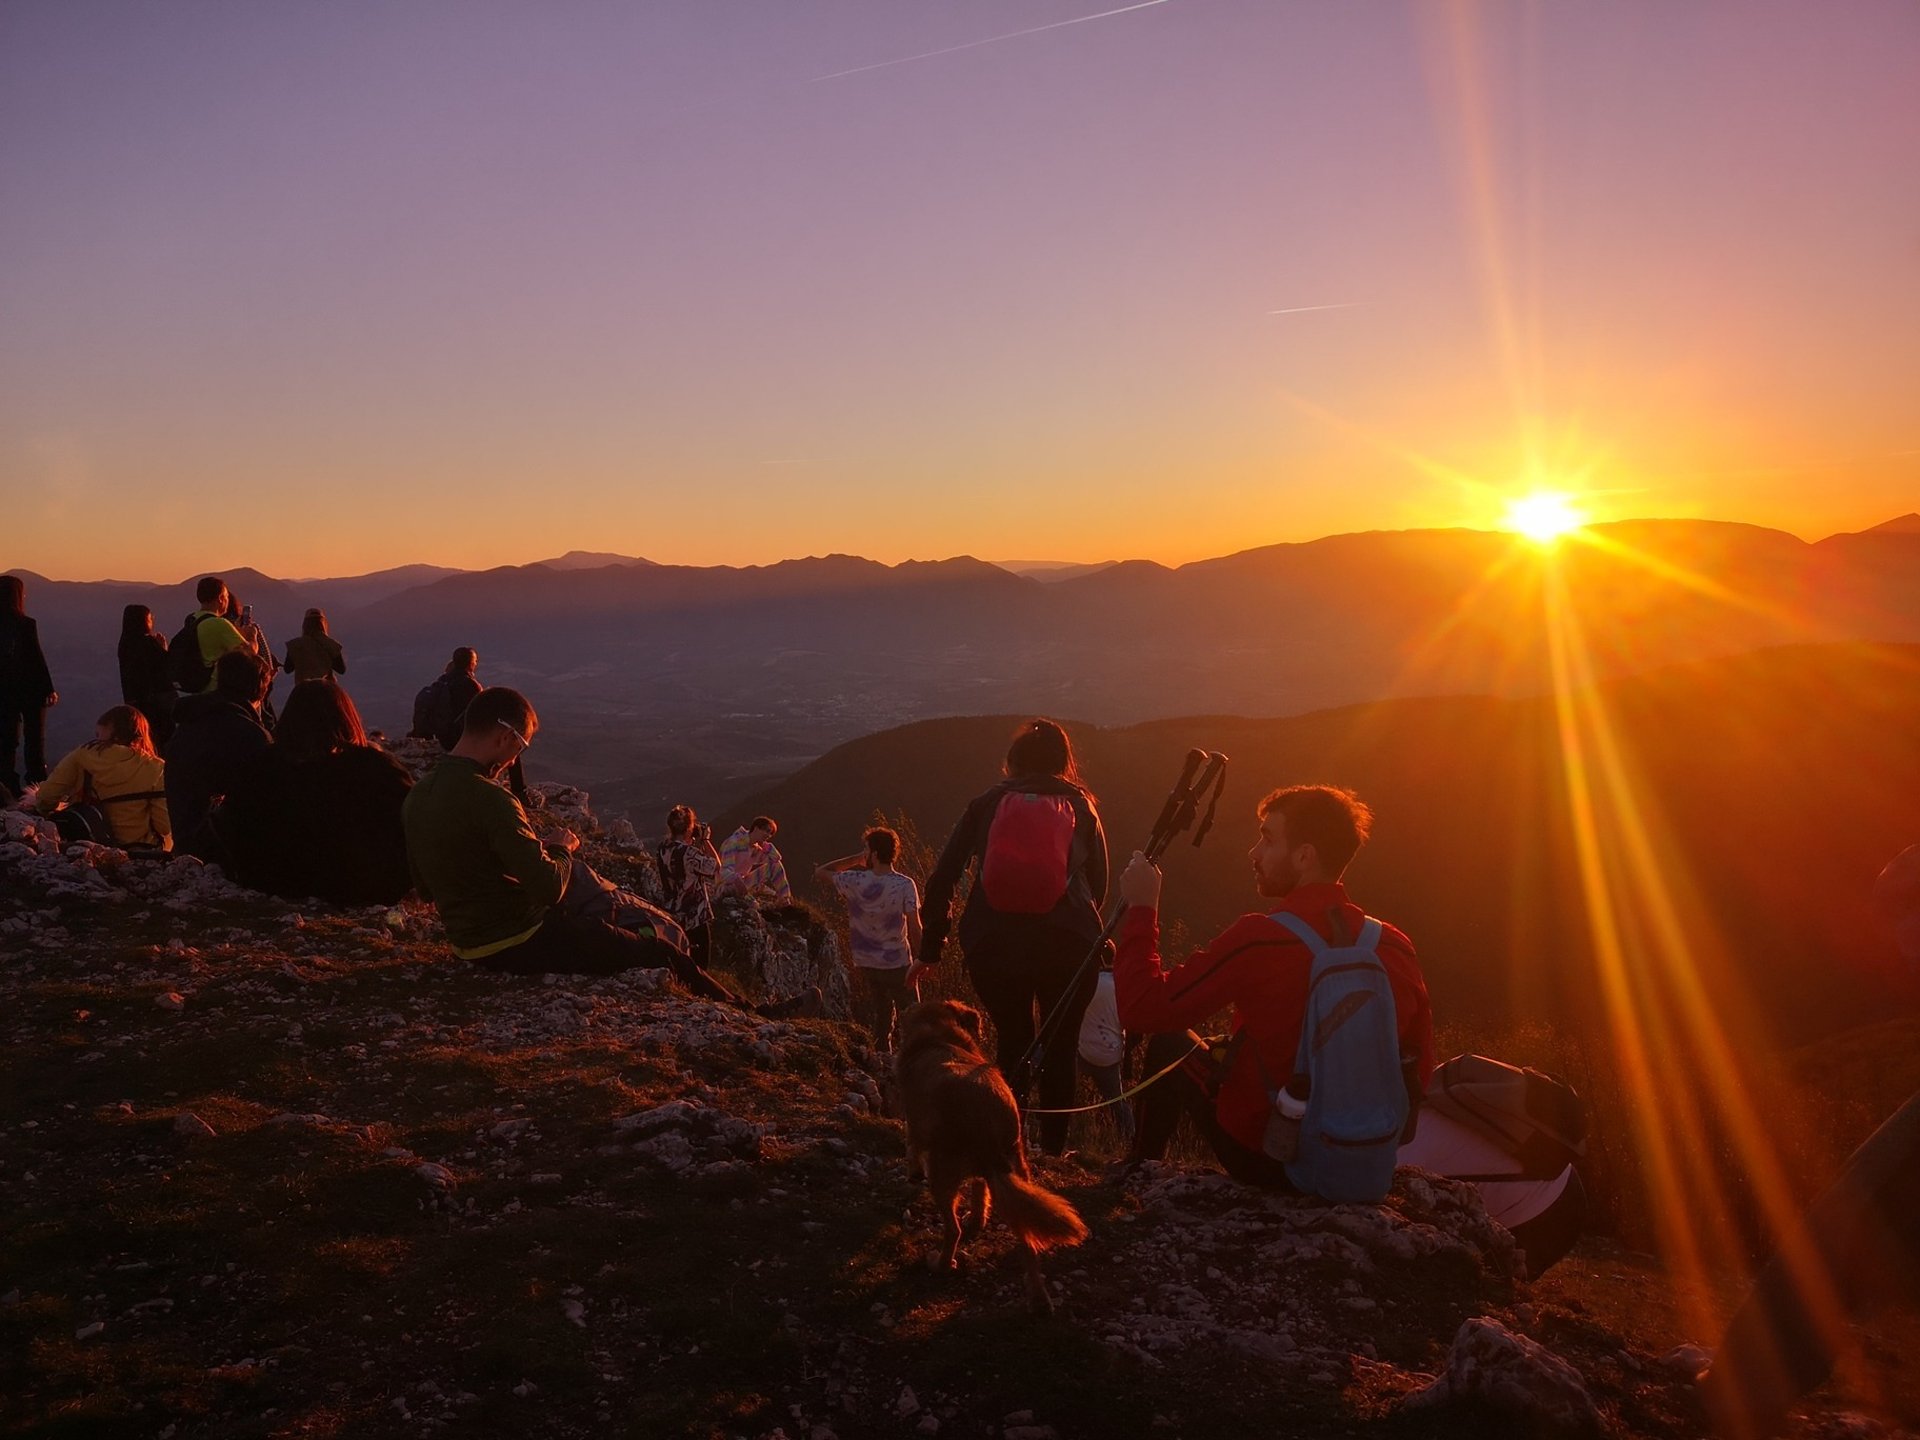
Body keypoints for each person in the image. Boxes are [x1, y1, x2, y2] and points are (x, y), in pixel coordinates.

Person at [1115, 784, 1433, 1194]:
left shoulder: (1261, 939)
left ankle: (1139, 1171)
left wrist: (1143, 908)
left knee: (1172, 1043)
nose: (1254, 853)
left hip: (1270, 1161)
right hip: (1364, 1165)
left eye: (1267, 839)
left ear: (1304, 856)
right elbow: (1418, 1071)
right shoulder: (1394, 946)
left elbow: (1144, 1008)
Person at [405, 688, 748, 1002]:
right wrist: (560, 848)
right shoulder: (492, 798)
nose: (513, 761)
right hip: (521, 939)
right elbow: (550, 888)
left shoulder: (418, 795)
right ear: (505, 737)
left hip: (465, 944)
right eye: (519, 747)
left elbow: (425, 886)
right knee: (662, 953)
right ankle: (747, 1013)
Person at [910, 719, 1109, 1156]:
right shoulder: (1081, 804)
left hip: (993, 942)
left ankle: (1007, 1147)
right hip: (1070, 942)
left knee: (1014, 1037)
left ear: (1013, 761)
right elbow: (1099, 883)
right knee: (1059, 1046)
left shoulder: (985, 804)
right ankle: (1054, 1151)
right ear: (1064, 760)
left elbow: (942, 879)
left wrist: (932, 949)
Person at [216, 681, 411, 905]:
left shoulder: (260, 767)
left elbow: (233, 823)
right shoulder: (377, 768)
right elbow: (413, 820)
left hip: (274, 880)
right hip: (361, 885)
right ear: (346, 717)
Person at [816, 827, 923, 1049]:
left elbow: (822, 871)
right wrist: (922, 960)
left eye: (866, 849)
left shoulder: (854, 880)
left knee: (882, 1015)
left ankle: (883, 1061)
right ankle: (913, 1063)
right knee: (915, 1019)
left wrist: (857, 859)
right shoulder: (904, 884)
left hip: (866, 961)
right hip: (898, 963)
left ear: (873, 854)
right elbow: (915, 926)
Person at [164, 649, 273, 857]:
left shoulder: (187, 726)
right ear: (261, 689)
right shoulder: (250, 736)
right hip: (226, 851)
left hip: (185, 844)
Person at [27, 704, 169, 850]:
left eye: (98, 735)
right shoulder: (156, 767)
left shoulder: (82, 756)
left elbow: (47, 796)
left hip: (92, 845)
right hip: (143, 850)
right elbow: (164, 825)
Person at [411, 647, 528, 804]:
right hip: (458, 740)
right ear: (471, 663)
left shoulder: (443, 680)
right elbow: (483, 717)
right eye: (475, 662)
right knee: (513, 743)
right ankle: (520, 792)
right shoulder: (470, 685)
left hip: (442, 736)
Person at [0, 575, 58, 797]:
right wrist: (49, 689)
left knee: (6, 741)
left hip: (4, 693)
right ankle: (36, 788)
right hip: (32, 692)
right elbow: (37, 659)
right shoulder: (26, 624)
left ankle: (7, 786)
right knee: (34, 740)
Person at [657, 804, 723, 970]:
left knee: (680, 956)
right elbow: (715, 866)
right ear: (688, 828)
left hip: (672, 910)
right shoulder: (689, 853)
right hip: (694, 914)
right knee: (700, 963)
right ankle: (699, 990)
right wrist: (706, 840)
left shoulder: (663, 848)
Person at [1077, 963, 1135, 1148]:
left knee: (1060, 1085)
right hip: (1110, 1055)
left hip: (1082, 1051)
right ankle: (1129, 1141)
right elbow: (1133, 1027)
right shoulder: (1123, 988)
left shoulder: (1086, 983)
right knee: (1118, 1102)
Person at [177, 576, 255, 694]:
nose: (228, 600)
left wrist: (236, 631)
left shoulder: (192, 619)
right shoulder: (219, 623)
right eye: (227, 596)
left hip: (195, 689)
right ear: (220, 598)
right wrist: (251, 637)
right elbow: (248, 654)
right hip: (214, 688)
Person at [117, 604, 176, 749]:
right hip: (157, 705)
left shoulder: (124, 644)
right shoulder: (148, 643)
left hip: (136, 704)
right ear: (143, 620)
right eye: (150, 618)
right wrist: (163, 649)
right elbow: (167, 667)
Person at [721, 815, 792, 904]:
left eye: (770, 833)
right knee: (754, 903)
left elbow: (775, 859)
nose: (768, 835)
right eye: (766, 831)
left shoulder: (756, 848)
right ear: (756, 828)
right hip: (726, 886)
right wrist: (737, 880)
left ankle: (784, 900)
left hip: (743, 883)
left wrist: (766, 846)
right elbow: (724, 871)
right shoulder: (735, 841)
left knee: (775, 866)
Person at [282, 608, 346, 683]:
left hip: (302, 686)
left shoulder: (294, 645)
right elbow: (341, 670)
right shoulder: (332, 644)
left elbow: (287, 669)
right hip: (325, 687)